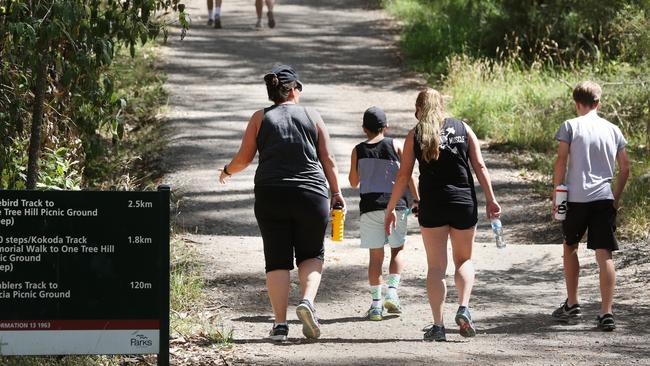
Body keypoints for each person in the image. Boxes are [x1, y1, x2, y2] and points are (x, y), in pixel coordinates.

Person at [219, 64, 346, 341]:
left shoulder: (259, 118)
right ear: (292, 90)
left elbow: (243, 158)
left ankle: (279, 325)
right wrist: (336, 193)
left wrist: (227, 171)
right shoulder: (312, 115)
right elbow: (329, 160)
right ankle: (307, 303)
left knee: (276, 261)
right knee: (312, 254)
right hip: (311, 194)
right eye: (298, 87)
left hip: (270, 194)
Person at [384, 88, 501, 342]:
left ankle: (438, 327)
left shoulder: (414, 135)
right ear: (442, 106)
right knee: (464, 261)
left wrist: (391, 208)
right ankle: (463, 307)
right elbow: (479, 166)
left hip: (433, 205)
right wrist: (491, 199)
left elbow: (403, 176)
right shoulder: (463, 128)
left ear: (418, 109)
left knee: (436, 267)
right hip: (463, 203)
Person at [551, 81, 630, 331]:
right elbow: (625, 168)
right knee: (604, 254)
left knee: (570, 246)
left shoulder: (570, 126)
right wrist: (614, 198)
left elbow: (561, 162)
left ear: (577, 103)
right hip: (603, 198)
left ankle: (573, 302)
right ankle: (606, 312)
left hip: (575, 199)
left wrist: (557, 194)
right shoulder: (613, 129)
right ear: (599, 103)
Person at [349, 106, 419, 321]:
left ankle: (376, 305)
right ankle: (392, 292)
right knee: (397, 250)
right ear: (386, 127)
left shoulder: (358, 150)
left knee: (375, 257)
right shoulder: (395, 145)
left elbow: (353, 182)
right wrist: (417, 200)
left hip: (369, 207)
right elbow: (408, 176)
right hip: (395, 206)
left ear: (364, 129)